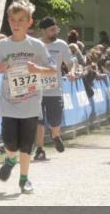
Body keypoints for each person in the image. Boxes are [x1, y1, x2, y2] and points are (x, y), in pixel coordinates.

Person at [0, 0, 56, 193]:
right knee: (10, 141)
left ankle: (24, 179)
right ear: (8, 21)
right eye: (12, 20)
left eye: (21, 20)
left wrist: (38, 69)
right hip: (9, 103)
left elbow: (52, 69)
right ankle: (10, 158)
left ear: (29, 22)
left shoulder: (37, 46)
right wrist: (1, 67)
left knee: (26, 145)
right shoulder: (3, 45)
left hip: (30, 102)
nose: (16, 24)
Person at [33, 16, 77, 160]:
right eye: (52, 30)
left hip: (55, 89)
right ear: (44, 31)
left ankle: (55, 135)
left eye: (55, 29)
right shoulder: (35, 45)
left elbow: (71, 62)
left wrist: (72, 71)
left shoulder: (61, 45)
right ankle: (39, 149)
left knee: (55, 120)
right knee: (38, 121)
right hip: (37, 90)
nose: (55, 32)